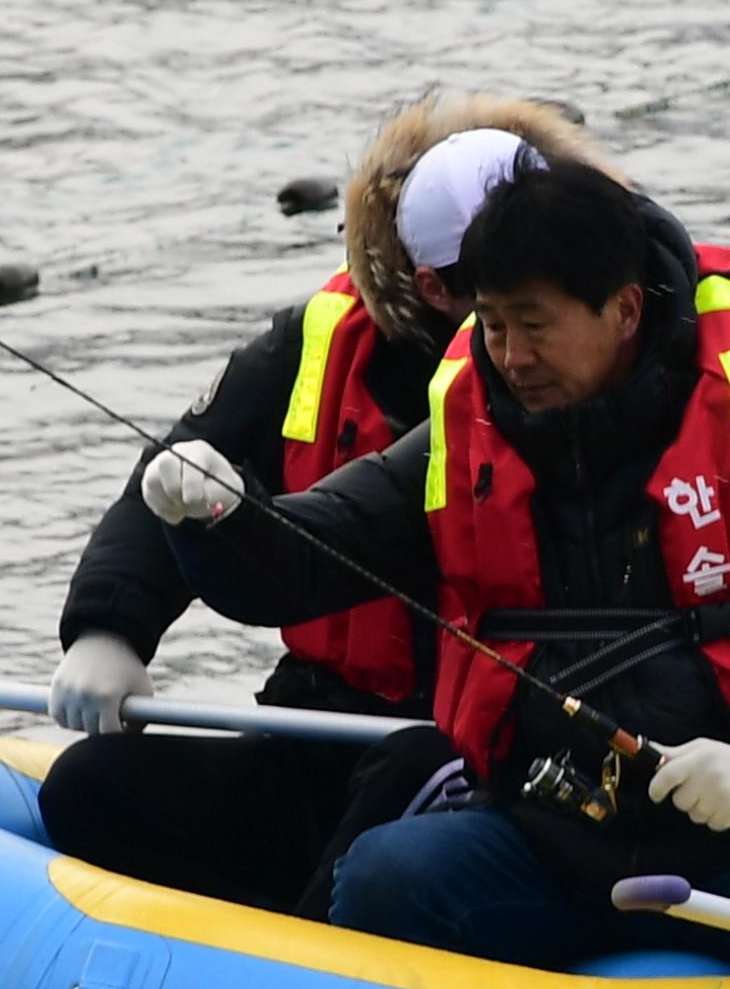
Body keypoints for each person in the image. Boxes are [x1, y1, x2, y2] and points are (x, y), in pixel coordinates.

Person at [141, 158, 730, 969]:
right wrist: (220, 517)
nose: (510, 355)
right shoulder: (459, 443)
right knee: (387, 877)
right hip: (541, 845)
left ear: (625, 310)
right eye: (491, 325)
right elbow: (304, 559)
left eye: (535, 325)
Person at [37, 94, 608, 914]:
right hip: (316, 717)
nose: (497, 327)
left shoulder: (572, 379)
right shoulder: (316, 343)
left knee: (407, 792)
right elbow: (173, 480)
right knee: (91, 788)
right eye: (462, 284)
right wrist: (108, 625)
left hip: (470, 744)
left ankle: (315, 959)